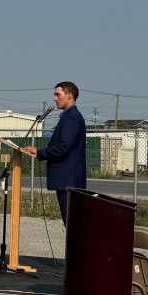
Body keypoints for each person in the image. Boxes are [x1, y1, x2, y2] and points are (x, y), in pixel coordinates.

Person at [22, 81, 87, 225]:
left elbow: (64, 148)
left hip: (68, 180)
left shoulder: (72, 117)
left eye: (58, 94)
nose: (55, 98)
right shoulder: (68, 116)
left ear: (69, 95)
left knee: (72, 224)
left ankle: (74, 248)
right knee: (71, 223)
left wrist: (40, 152)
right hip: (66, 180)